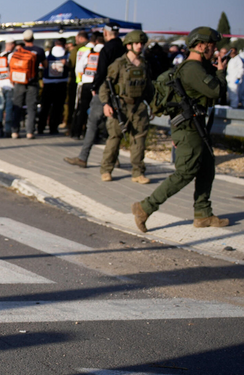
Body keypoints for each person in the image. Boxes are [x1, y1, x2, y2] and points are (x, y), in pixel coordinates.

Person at [133, 26, 229, 232]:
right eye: (211, 46)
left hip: (195, 126)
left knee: (206, 168)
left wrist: (215, 69)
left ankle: (203, 214)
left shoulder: (198, 67)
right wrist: (221, 72)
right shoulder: (192, 69)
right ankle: (145, 207)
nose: (214, 49)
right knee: (186, 172)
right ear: (201, 45)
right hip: (189, 128)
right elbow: (217, 90)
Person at [65, 23, 126, 168]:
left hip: (104, 90)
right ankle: (114, 158)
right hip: (121, 92)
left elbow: (101, 71)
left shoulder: (107, 49)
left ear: (106, 33)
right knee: (113, 126)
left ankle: (83, 157)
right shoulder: (123, 48)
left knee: (92, 123)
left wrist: (95, 87)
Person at [98, 30, 152, 184]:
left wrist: (153, 106)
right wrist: (106, 104)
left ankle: (138, 172)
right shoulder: (118, 64)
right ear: (129, 45)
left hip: (139, 107)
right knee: (114, 139)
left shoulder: (144, 65)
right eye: (137, 43)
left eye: (142, 43)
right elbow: (105, 86)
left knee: (139, 141)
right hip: (120, 106)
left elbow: (149, 88)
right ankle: (106, 169)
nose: (140, 46)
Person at [9, 30, 46, 139]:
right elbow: (45, 65)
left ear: (24, 39)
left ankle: (15, 131)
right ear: (33, 38)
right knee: (31, 108)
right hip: (32, 82)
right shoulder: (39, 51)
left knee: (17, 107)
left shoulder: (19, 50)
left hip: (19, 82)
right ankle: (30, 132)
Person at [39, 37, 70, 135]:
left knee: (46, 107)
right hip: (60, 84)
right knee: (57, 107)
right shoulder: (66, 54)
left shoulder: (47, 54)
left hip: (49, 84)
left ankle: (41, 127)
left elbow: (41, 67)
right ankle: (53, 127)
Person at [227, 42, 243, 108]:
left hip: (234, 80)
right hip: (230, 80)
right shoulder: (232, 59)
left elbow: (241, 69)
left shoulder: (238, 59)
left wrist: (238, 78)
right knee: (231, 94)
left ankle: (234, 107)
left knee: (234, 95)